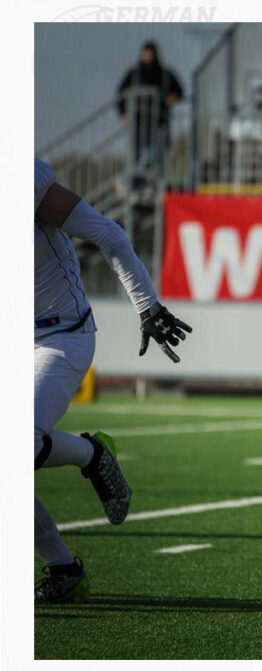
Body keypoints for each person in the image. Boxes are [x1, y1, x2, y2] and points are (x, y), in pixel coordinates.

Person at [34, 158, 192, 603]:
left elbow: (108, 233)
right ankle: (64, 568)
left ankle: (90, 453)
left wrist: (148, 305)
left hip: (59, 336)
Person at [115, 41, 183, 175]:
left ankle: (154, 176)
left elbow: (179, 91)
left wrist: (172, 98)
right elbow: (121, 93)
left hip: (159, 120)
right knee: (137, 152)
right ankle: (137, 176)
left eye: (150, 55)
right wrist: (123, 113)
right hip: (138, 120)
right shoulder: (134, 74)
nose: (147, 58)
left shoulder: (165, 74)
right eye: (145, 54)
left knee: (157, 152)